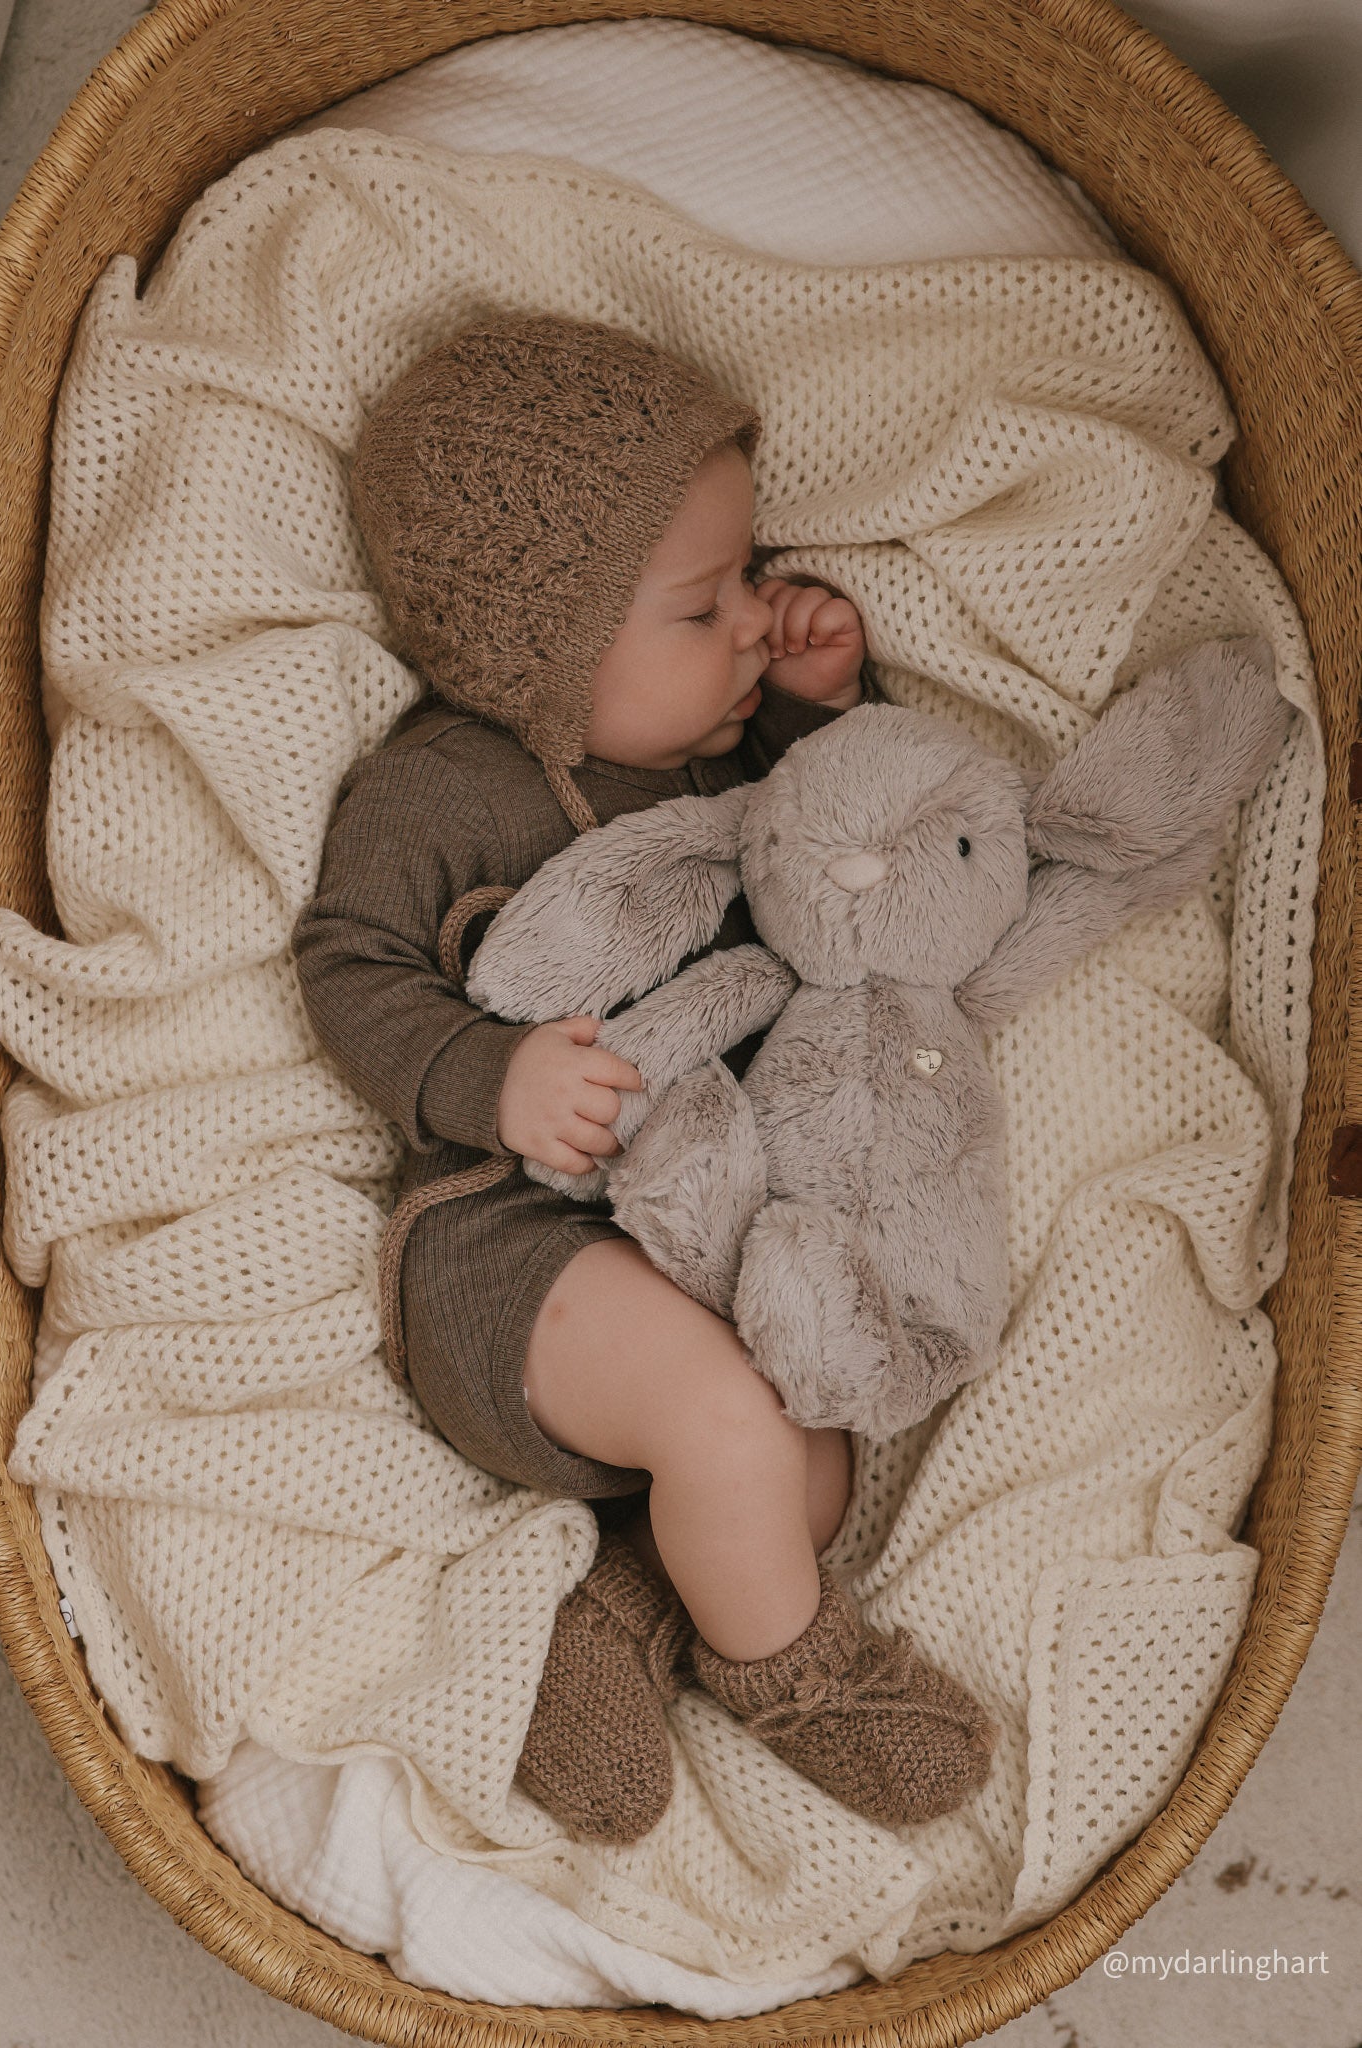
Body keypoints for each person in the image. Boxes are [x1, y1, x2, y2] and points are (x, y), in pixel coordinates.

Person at [293, 312, 995, 1845]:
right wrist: (484, 1075)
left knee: (811, 1456)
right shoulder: (447, 788)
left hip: (703, 1239)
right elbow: (347, 959)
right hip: (512, 1254)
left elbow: (826, 861)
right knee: (734, 1425)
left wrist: (814, 705)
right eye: (702, 607)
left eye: (749, 583)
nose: (747, 623)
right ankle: (801, 1680)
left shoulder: (722, 772)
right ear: (543, 654)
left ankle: (618, 1621)